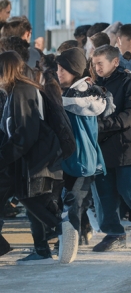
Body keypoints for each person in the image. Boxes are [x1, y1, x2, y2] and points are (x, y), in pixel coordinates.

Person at [0, 51, 69, 264]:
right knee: (31, 201)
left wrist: (3, 157)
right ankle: (58, 232)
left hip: (32, 160)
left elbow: (24, 134)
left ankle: (64, 229)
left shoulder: (22, 91)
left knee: (34, 201)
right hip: (25, 160)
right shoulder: (17, 91)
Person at [90, 45, 131, 251]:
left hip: (126, 146)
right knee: (105, 192)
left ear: (115, 62)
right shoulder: (96, 84)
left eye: (100, 63)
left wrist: (102, 125)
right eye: (94, 64)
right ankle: (114, 233)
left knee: (129, 189)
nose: (97, 68)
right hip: (103, 147)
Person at [55, 48, 110, 248]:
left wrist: (54, 101)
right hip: (72, 158)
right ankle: (79, 233)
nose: (58, 73)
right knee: (76, 200)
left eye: (63, 69)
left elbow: (78, 105)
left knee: (74, 200)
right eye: (58, 68)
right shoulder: (70, 92)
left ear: (75, 71)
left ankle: (71, 242)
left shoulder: (83, 93)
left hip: (82, 158)